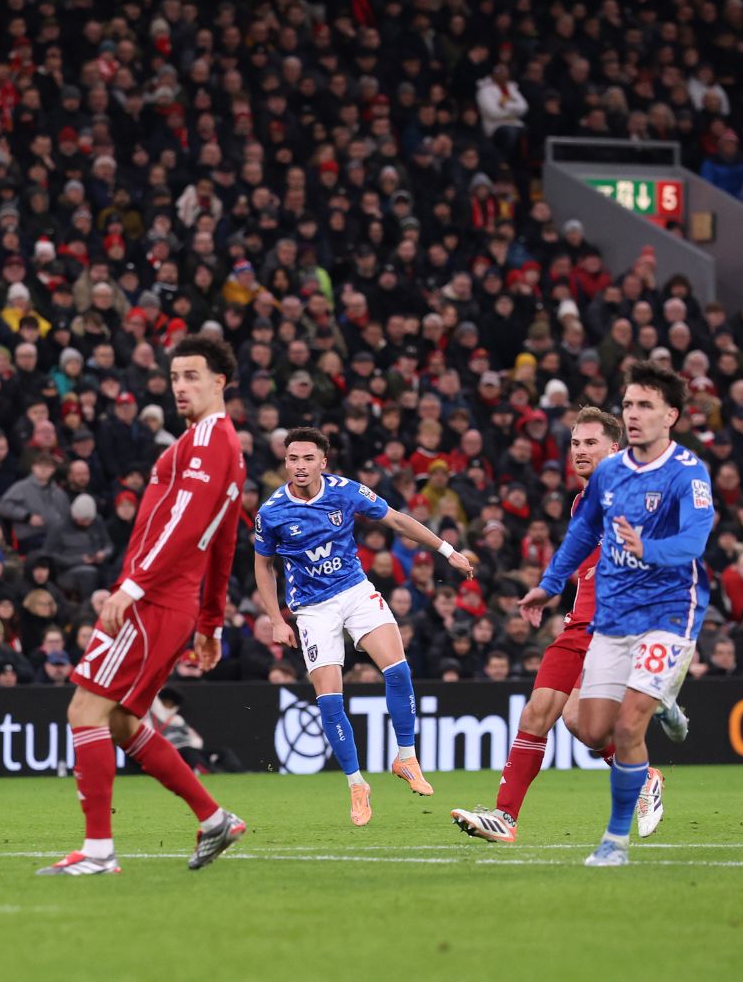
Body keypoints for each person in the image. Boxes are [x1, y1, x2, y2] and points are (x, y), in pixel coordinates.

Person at [39, 338, 246, 876]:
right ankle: (214, 817)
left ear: (219, 381)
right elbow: (223, 541)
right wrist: (211, 622)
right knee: (125, 723)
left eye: (192, 376)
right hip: (173, 605)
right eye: (175, 376)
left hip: (153, 600)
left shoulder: (205, 442)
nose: (181, 386)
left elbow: (185, 524)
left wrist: (133, 585)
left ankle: (100, 852)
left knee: (85, 712)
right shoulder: (225, 447)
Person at [520, 362, 715, 867]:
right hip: (614, 617)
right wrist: (546, 587)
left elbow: (694, 541)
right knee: (587, 726)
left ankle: (614, 842)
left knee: (629, 728)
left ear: (670, 415)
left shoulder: (688, 473)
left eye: (645, 405)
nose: (633, 414)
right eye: (628, 404)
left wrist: (649, 547)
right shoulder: (609, 475)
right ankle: (666, 701)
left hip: (669, 611)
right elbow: (580, 538)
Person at [451, 407, 676, 842]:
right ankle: (506, 818)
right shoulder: (581, 502)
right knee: (563, 719)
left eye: (590, 443)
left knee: (582, 726)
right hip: (579, 625)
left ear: (615, 449)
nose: (579, 451)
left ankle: (642, 775)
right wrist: (545, 589)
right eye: (575, 443)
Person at [253, 428, 474, 826]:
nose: (299, 466)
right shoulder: (271, 512)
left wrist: (447, 550)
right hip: (313, 610)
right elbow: (262, 565)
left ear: (323, 461)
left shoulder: (345, 490)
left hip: (355, 591)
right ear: (285, 463)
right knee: (330, 700)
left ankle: (406, 758)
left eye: (307, 459)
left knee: (398, 669)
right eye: (292, 459)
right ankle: (357, 784)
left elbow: (396, 520)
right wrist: (275, 619)